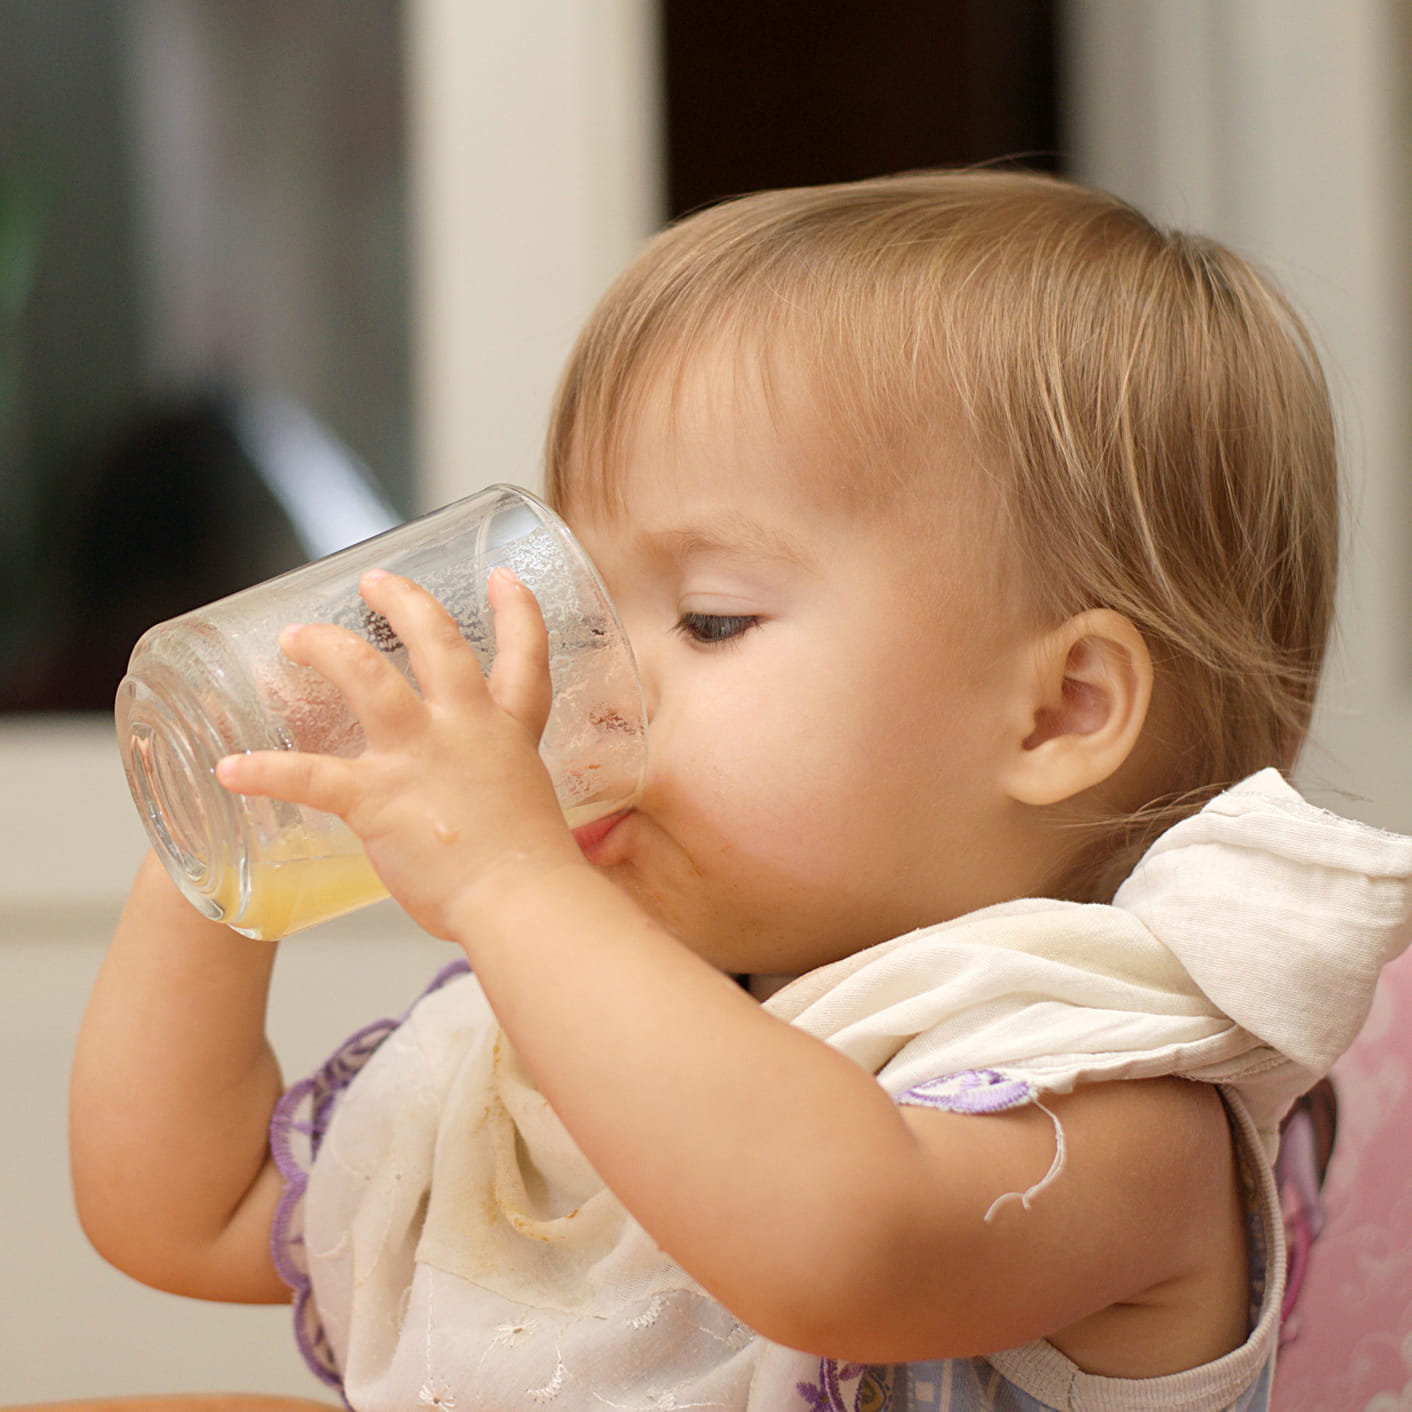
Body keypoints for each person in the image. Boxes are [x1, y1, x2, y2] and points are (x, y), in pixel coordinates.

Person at [71, 170, 1412, 1411]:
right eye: (584, 598)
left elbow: (838, 1247)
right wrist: (233, 824)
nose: (594, 678)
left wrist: (508, 883)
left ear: (1059, 714)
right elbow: (184, 1212)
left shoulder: (1116, 1104)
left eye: (708, 619)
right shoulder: (587, 1037)